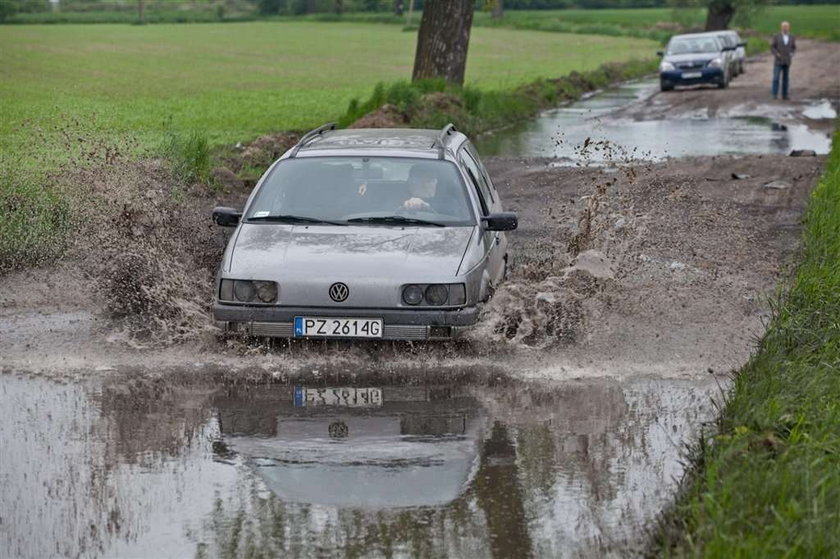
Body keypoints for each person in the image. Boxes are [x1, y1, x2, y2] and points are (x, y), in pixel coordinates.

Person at [770, 21, 796, 100]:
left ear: (789, 28)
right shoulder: (776, 36)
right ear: (781, 28)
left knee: (786, 78)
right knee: (776, 78)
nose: (785, 28)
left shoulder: (792, 36)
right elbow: (772, 47)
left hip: (787, 61)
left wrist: (792, 53)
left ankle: (785, 95)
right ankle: (774, 94)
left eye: (786, 27)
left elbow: (794, 47)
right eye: (784, 27)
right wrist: (776, 54)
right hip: (778, 60)